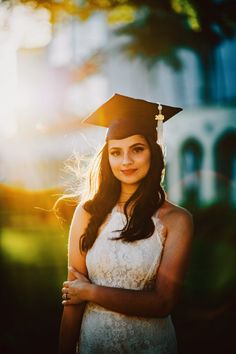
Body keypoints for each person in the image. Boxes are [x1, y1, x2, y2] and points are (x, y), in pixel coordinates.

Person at [58, 93, 193, 354]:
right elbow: (72, 299)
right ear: (107, 158)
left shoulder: (177, 220)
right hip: (93, 344)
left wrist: (90, 292)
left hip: (151, 346)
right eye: (116, 152)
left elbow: (163, 303)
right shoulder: (87, 213)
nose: (126, 161)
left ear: (153, 152)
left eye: (137, 149)